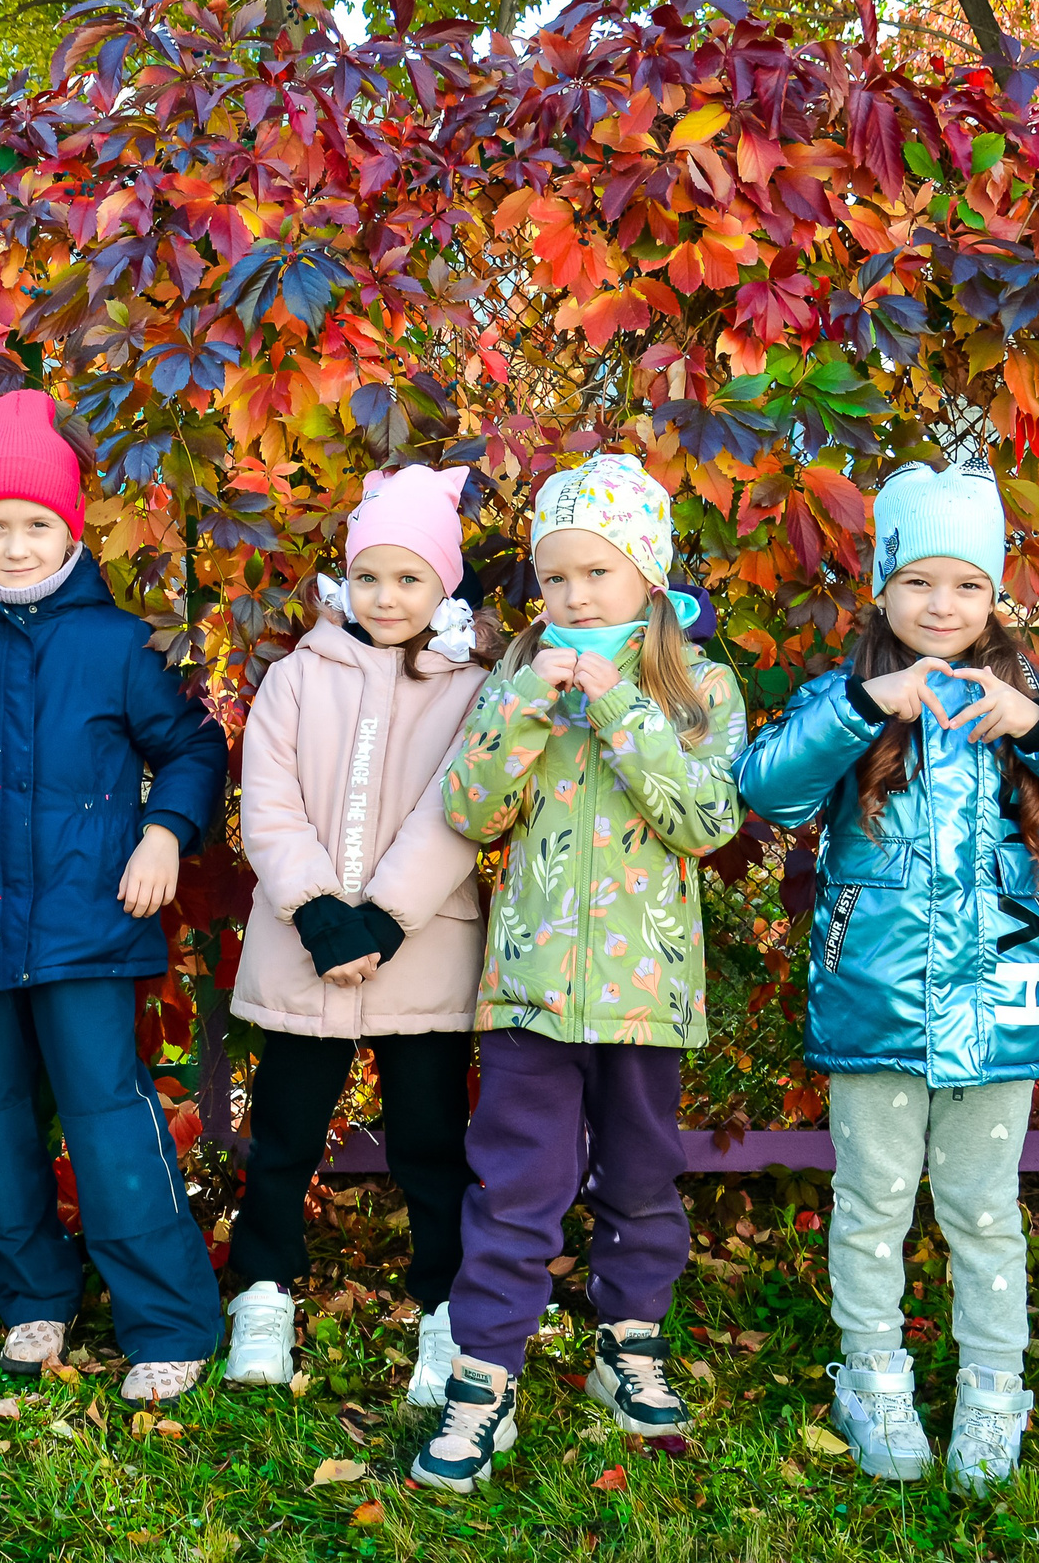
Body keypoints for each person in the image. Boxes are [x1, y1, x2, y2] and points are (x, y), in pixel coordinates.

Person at [736, 459, 1039, 1494]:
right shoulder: (848, 694)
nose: (942, 604)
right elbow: (768, 790)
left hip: (999, 1001)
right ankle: (873, 1376)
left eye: (965, 583)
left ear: (993, 593)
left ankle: (990, 1388)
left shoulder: (1037, 696)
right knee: (873, 1200)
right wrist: (860, 707)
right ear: (883, 586)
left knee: (981, 1206)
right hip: (871, 999)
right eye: (919, 581)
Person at [411, 456, 747, 1494]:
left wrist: (623, 712)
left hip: (649, 994)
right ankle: (484, 1375)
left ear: (646, 578)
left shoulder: (700, 688)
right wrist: (522, 711)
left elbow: (708, 819)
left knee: (641, 1179)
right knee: (516, 1185)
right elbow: (468, 813)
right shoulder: (518, 684)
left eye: (596, 573)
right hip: (531, 992)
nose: (573, 596)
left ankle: (627, 1344)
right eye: (555, 578)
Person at [0, 390, 230, 1404]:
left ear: (71, 527)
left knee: (107, 1116)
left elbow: (190, 746)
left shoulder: (119, 645)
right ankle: (32, 1297)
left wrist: (162, 832)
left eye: (36, 525)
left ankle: (169, 1317)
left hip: (92, 924)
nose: (14, 546)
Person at [223, 465, 490, 1407]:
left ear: (444, 585)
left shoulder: (472, 688)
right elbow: (270, 799)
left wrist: (382, 916)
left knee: (430, 1141)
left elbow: (459, 808)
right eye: (370, 576)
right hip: (305, 947)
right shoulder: (300, 675)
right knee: (285, 1134)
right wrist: (319, 913)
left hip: (421, 950)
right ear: (345, 581)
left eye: (410, 578)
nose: (387, 597)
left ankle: (446, 1311)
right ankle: (263, 1293)